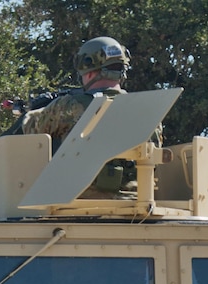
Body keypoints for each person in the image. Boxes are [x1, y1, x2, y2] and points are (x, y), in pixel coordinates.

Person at [21, 36, 159, 196]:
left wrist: (33, 110)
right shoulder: (148, 109)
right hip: (136, 202)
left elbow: (31, 128)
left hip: (80, 202)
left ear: (87, 69)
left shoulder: (68, 105)